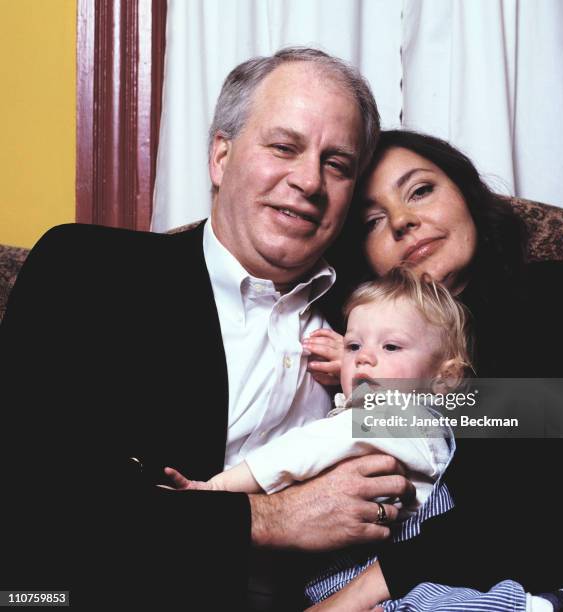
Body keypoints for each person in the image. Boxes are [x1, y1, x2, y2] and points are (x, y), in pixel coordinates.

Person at [0, 48, 418, 611]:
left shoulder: (376, 317)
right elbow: (30, 501)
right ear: (221, 156)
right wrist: (270, 517)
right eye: (284, 147)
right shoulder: (91, 270)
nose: (309, 181)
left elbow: (541, 419)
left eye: (337, 164)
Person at [163, 268, 563, 612]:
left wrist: (214, 493)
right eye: (353, 345)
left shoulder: (391, 419)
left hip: (398, 585)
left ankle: (531, 606)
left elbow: (295, 454)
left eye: (390, 346)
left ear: (444, 380)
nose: (365, 357)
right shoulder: (415, 421)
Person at [309, 129, 563, 609]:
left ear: (465, 193)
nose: (403, 221)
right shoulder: (369, 367)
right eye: (372, 221)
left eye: (420, 191)